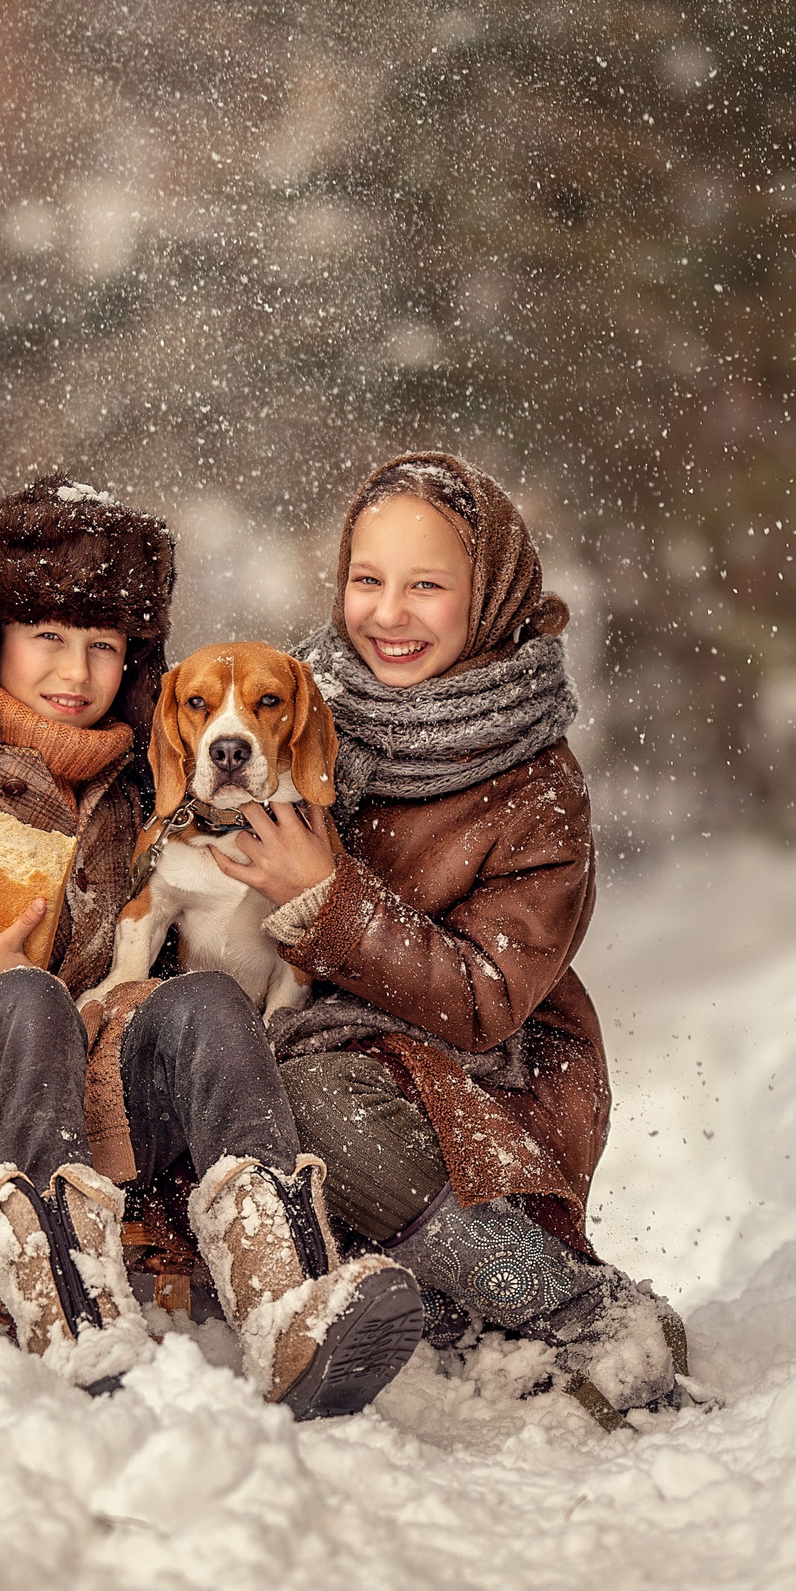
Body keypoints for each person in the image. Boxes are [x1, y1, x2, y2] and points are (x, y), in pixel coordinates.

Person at [0, 477, 424, 1417]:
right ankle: (72, 1308)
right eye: (48, 635)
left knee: (212, 1003)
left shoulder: (152, 794)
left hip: (102, 1103)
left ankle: (285, 1301)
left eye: (103, 644)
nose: (76, 671)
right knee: (24, 998)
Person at [219, 452, 686, 1418]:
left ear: (491, 593)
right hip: (320, 1033)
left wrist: (329, 899)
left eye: (426, 585)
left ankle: (573, 1305)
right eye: (367, 579)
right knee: (223, 1064)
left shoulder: (536, 785)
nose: (388, 613)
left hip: (483, 1072)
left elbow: (484, 999)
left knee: (308, 1097)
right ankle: (436, 1310)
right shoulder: (295, 715)